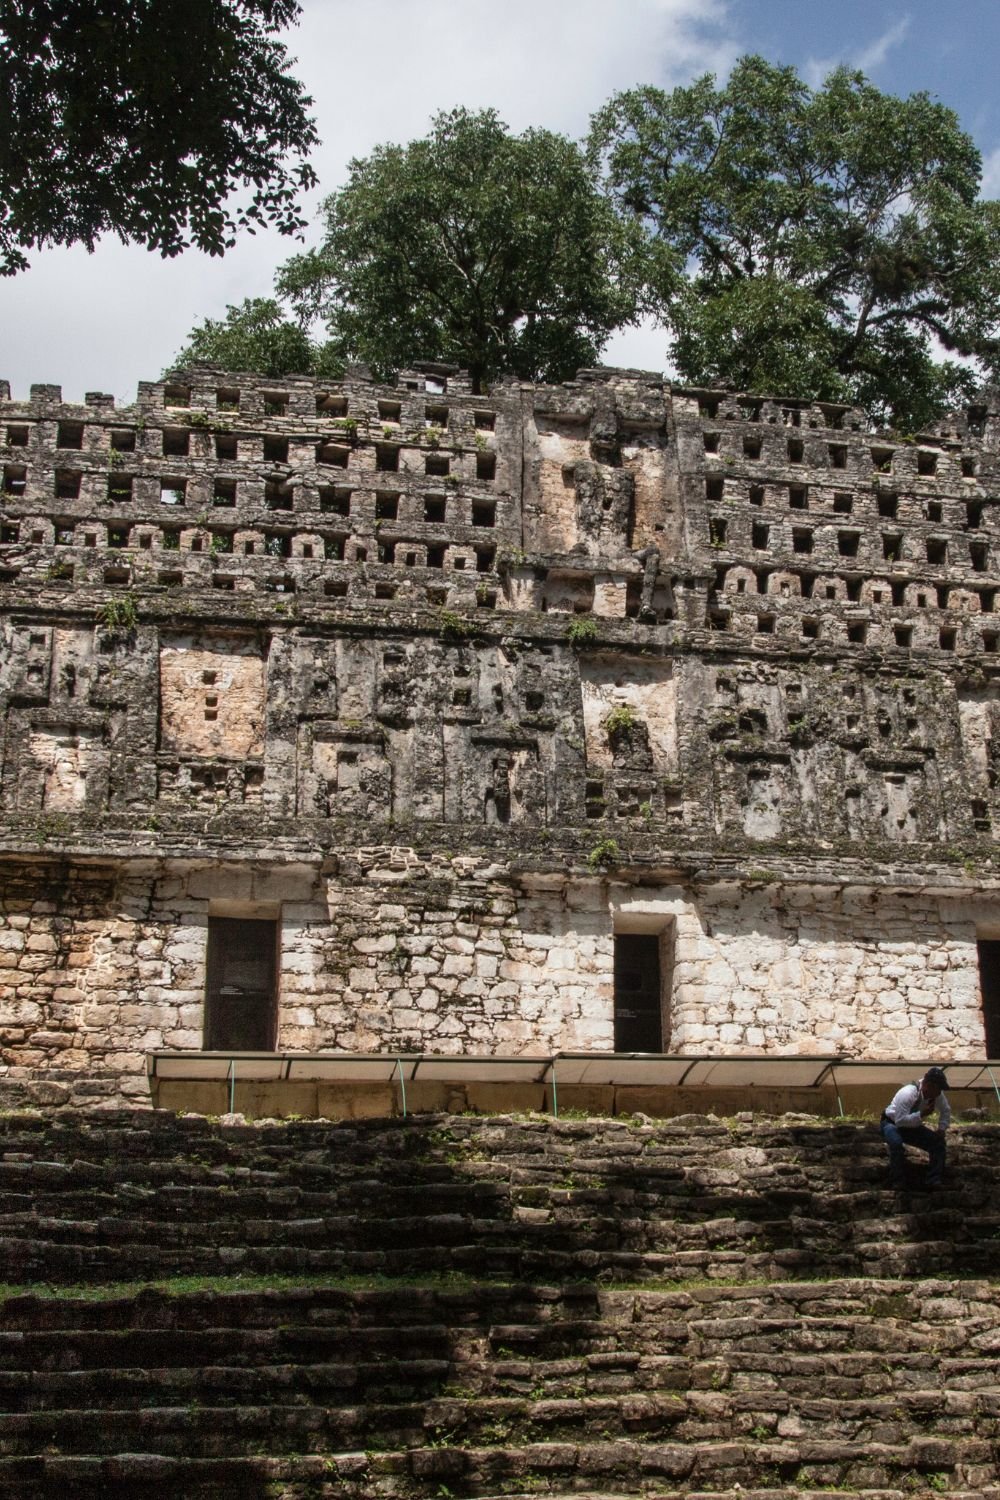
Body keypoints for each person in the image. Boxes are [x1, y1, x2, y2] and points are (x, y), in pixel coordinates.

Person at [880, 1066, 950, 1190]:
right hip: (892, 1123)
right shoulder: (908, 1093)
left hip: (912, 1125)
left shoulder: (937, 1095)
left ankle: (933, 1179)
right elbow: (900, 1121)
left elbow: (945, 1110)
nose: (939, 1093)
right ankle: (897, 1181)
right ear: (929, 1085)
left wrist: (941, 1128)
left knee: (938, 1143)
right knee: (896, 1144)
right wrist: (922, 1114)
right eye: (937, 1089)